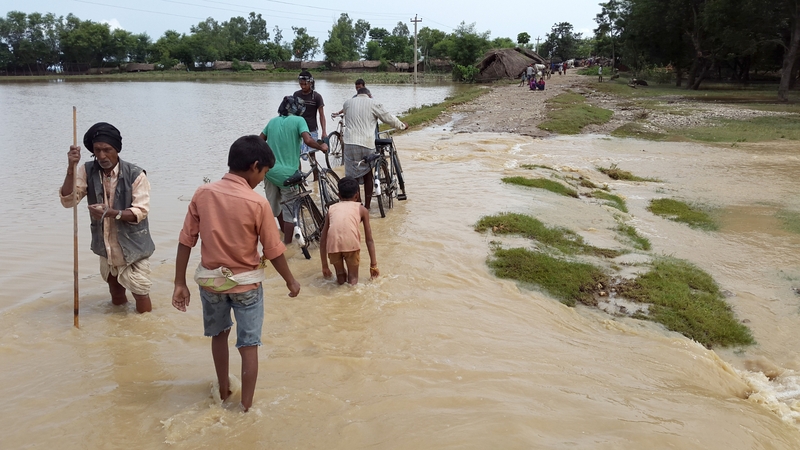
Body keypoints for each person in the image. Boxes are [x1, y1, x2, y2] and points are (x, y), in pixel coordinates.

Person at [172, 135, 301, 413]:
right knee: (249, 345)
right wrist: (291, 280)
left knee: (219, 335)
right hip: (246, 287)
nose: (262, 179)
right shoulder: (257, 204)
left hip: (210, 284)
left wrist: (179, 282)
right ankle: (245, 407)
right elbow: (274, 250)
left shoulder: (202, 194)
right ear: (255, 166)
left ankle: (224, 390)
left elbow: (186, 240)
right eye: (264, 173)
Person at [59, 122, 154, 313]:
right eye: (97, 150)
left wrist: (112, 213)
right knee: (115, 290)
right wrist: (71, 166)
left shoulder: (135, 174)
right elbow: (69, 201)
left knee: (140, 292)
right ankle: (118, 331)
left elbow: (141, 212)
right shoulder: (86, 170)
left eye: (107, 150)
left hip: (133, 245)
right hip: (106, 244)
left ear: (117, 150)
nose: (102, 156)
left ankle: (145, 328)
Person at [260, 95, 328, 244]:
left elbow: (259, 141)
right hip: (289, 174)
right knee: (290, 212)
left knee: (276, 207)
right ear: (298, 109)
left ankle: (283, 232)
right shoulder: (299, 120)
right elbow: (308, 140)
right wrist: (321, 146)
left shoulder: (272, 122)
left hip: (269, 172)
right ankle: (288, 245)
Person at [341, 87, 408, 209]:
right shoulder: (373, 103)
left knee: (353, 176)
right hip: (367, 143)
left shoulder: (347, 103)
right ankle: (366, 206)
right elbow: (388, 118)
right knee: (368, 174)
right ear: (369, 95)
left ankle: (358, 206)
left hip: (349, 143)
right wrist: (402, 126)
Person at [320, 176, 378, 285]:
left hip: (333, 246)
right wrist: (373, 265)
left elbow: (323, 239)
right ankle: (351, 299)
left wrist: (324, 265)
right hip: (351, 244)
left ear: (339, 195)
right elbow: (369, 240)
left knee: (340, 276)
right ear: (357, 195)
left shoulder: (331, 209)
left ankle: (340, 295)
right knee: (353, 278)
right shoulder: (362, 209)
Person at [293, 70, 326, 159]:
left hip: (311, 129)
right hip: (298, 130)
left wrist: (324, 131)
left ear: (310, 83)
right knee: (297, 154)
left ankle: (316, 173)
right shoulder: (296, 95)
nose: (303, 86)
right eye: (301, 84)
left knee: (312, 155)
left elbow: (321, 115)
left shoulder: (316, 97)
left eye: (305, 84)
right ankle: (299, 172)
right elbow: (293, 112)